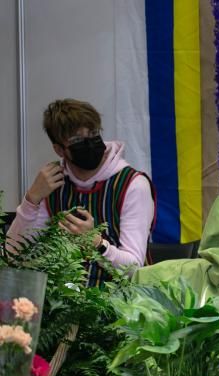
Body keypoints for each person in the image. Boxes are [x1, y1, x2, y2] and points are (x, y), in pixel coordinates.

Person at [7, 99, 155, 285]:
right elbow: (14, 255)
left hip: (123, 302)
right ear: (59, 150)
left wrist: (96, 243)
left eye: (93, 133)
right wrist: (31, 199)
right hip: (64, 300)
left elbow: (135, 270)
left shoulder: (133, 185)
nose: (89, 143)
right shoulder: (53, 183)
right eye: (77, 139)